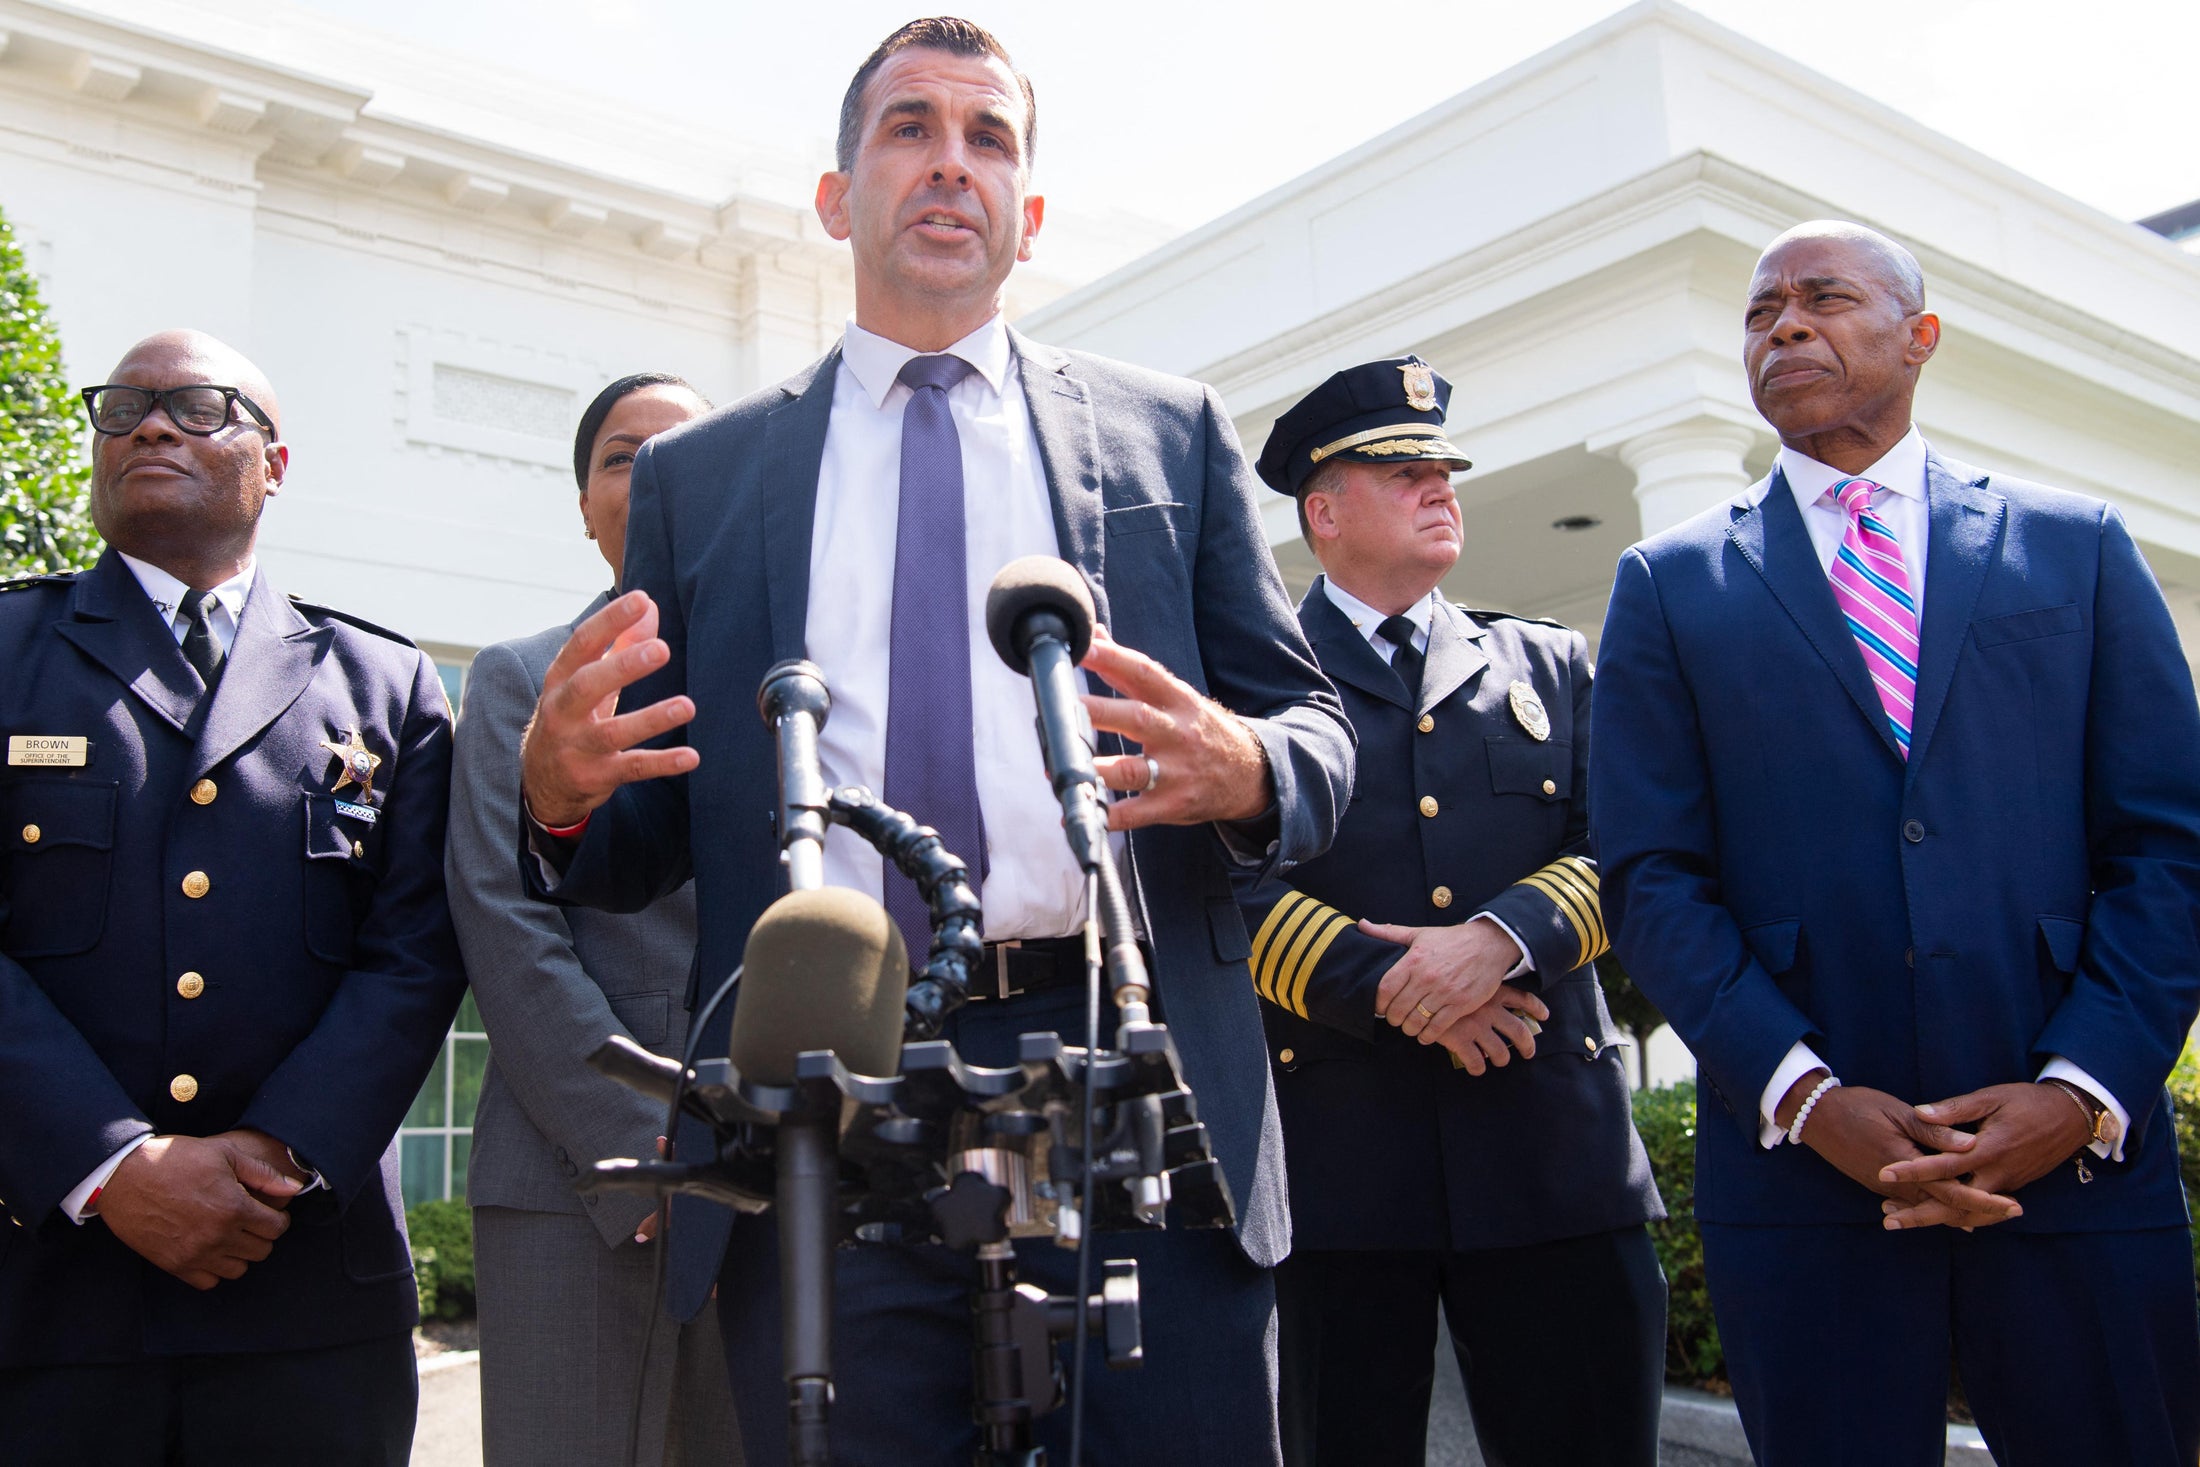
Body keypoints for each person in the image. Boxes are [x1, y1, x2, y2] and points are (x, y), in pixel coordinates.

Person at [515, 18, 1354, 1466]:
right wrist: (561, 797)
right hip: (829, 1082)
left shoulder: (1170, 436)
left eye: (990, 137)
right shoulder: (706, 480)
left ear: (1029, 215)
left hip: (1124, 1072)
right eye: (910, 128)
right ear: (838, 195)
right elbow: (644, 834)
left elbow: (1319, 736)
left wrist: (1251, 764)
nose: (950, 164)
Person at [1591, 221, 2200, 1466]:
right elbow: (1652, 875)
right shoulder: (1670, 582)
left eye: (1823, 300)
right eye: (1760, 313)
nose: (1784, 328)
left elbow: (2167, 846)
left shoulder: (2074, 548)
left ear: (1919, 337)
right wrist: (1806, 1098)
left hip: (2072, 1172)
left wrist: (2077, 1093)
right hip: (1807, 1188)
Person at [0, 330, 466, 1465]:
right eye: (123, 408)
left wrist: (275, 1154)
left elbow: (416, 949)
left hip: (304, 1293)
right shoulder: (8, 647)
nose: (150, 425)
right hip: (47, 1293)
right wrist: (115, 1167)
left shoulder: (383, 683)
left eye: (199, 406)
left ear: (277, 463)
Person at [1240, 357, 1665, 1467]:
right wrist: (1387, 984)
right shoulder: (1250, 685)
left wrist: (1497, 941)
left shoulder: (1549, 661)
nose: (1441, 488)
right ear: (1321, 512)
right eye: (1403, 470)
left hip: (1550, 1157)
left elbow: (1624, 844)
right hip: (1339, 1168)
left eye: (1446, 470)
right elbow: (1212, 880)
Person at [447, 372, 740, 1466]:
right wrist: (639, 1137)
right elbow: (502, 916)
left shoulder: (797, 682)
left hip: (775, 1173)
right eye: (623, 455)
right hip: (581, 1179)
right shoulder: (519, 680)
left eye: (686, 451)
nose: (656, 472)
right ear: (582, 503)